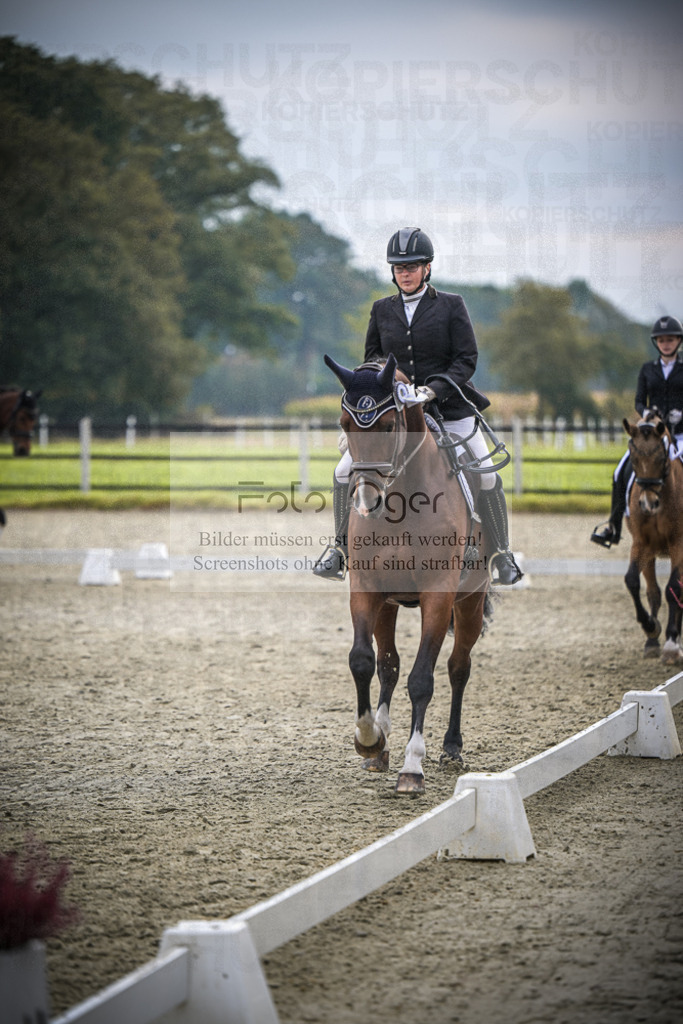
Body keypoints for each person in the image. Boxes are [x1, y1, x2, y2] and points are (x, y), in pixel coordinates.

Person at [314, 225, 522, 586]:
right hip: (396, 418)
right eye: (398, 268)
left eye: (411, 266)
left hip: (450, 411)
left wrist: (431, 391)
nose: (405, 273)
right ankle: (339, 550)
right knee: (343, 471)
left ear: (427, 267)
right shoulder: (382, 310)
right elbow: (372, 362)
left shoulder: (451, 305)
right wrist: (384, 392)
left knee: (487, 474)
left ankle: (501, 554)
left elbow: (466, 359)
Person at [591, 314, 683, 548]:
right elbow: (639, 401)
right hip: (652, 436)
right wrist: (647, 412)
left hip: (680, 434)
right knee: (619, 471)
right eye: (662, 340)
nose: (666, 344)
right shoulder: (647, 370)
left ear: (678, 342)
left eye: (670, 340)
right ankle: (612, 526)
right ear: (657, 343)